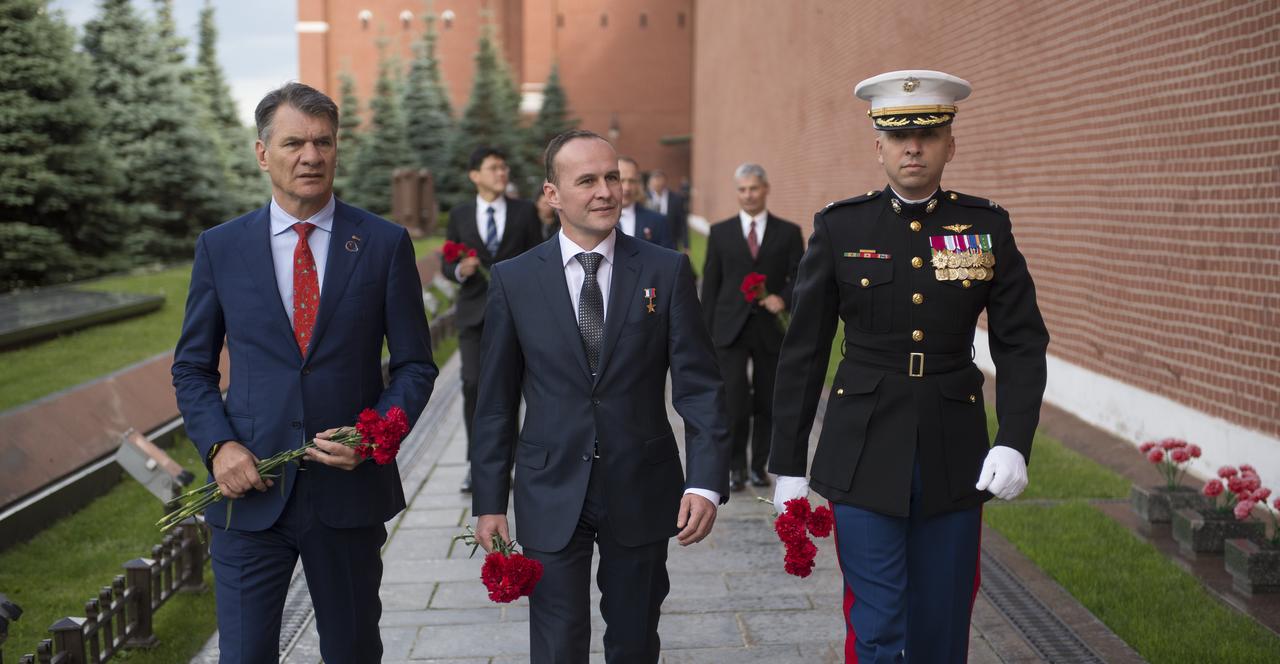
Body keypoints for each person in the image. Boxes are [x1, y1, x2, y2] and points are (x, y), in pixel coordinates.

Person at [769, 70, 1050, 662]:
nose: (913, 147)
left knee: (942, 623)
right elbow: (803, 352)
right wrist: (788, 465)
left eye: (928, 133)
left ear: (951, 142)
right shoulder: (841, 227)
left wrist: (1015, 441)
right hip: (864, 447)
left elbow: (1020, 341)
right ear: (879, 145)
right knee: (877, 623)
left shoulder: (984, 226)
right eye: (899, 137)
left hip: (954, 450)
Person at [172, 82, 438, 663]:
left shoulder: (383, 244)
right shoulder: (221, 248)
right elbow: (192, 367)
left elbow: (416, 366)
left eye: (323, 142)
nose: (310, 156)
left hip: (347, 496)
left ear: (338, 148)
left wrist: (374, 436)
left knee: (351, 651)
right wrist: (219, 448)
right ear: (263, 153)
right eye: (294, 142)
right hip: (249, 496)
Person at [471, 129, 730, 663]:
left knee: (634, 641)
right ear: (552, 194)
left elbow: (700, 386)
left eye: (611, 177)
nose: (605, 191)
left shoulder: (666, 269)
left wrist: (705, 482)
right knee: (557, 643)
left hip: (640, 484)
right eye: (586, 180)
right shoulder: (514, 281)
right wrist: (489, 502)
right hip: (550, 487)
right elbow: (495, 403)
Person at [441, 147, 543, 493]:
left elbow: (541, 258)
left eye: (504, 167)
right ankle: (476, 464)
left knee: (512, 389)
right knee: (473, 385)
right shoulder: (460, 214)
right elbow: (446, 260)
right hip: (473, 316)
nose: (502, 173)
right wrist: (459, 269)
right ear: (475, 175)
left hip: (518, 316)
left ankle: (510, 464)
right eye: (493, 167)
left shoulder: (525, 212)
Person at [700, 163, 803, 492]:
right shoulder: (721, 233)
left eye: (754, 188)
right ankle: (735, 468)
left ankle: (760, 466)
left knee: (767, 401)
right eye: (742, 189)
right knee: (734, 402)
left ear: (765, 189)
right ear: (737, 192)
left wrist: (782, 299)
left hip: (769, 329)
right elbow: (711, 286)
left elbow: (800, 277)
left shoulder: (787, 232)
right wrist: (705, 334)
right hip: (729, 330)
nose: (748, 195)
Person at [617, 155, 673, 249]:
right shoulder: (598, 221)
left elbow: (668, 260)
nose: (627, 187)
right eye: (621, 180)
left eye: (632, 181)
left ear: (638, 183)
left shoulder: (658, 222)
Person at [647, 169, 689, 251]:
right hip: (650, 243)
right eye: (655, 181)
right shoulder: (645, 198)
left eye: (660, 181)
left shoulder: (676, 199)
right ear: (651, 183)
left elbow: (682, 223)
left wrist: (686, 245)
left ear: (665, 182)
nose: (657, 184)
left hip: (671, 243)